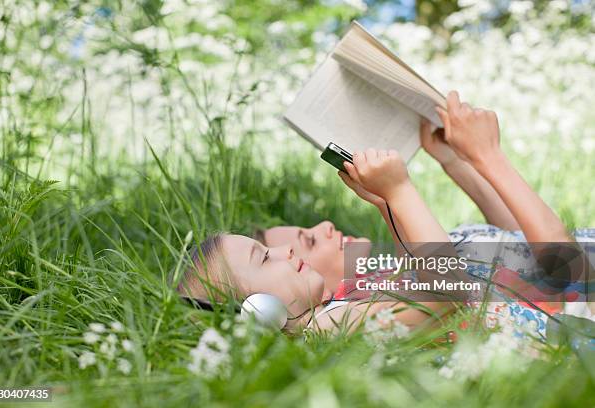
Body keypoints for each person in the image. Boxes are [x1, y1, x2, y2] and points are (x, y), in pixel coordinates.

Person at [177, 91, 594, 336]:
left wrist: (391, 200)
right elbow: (565, 272)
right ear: (256, 309)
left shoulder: (350, 300)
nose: (287, 252)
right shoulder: (331, 324)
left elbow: (509, 251)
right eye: (266, 257)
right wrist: (482, 159)